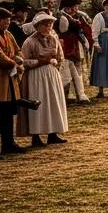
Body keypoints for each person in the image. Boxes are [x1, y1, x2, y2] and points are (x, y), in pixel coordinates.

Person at [17, 13, 68, 146]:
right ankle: (36, 135)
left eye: (49, 25)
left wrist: (55, 63)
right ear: (37, 26)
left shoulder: (53, 39)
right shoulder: (30, 41)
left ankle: (53, 133)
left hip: (51, 74)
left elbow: (60, 56)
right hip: (36, 76)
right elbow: (24, 61)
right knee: (39, 103)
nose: (48, 27)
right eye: (45, 25)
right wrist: (39, 62)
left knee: (52, 102)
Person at [0, 6, 25, 158]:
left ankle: (8, 143)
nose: (7, 23)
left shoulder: (8, 34)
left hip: (9, 82)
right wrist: (14, 64)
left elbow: (17, 50)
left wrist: (19, 58)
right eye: (5, 20)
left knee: (8, 114)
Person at [56, 0, 92, 105]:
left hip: (75, 45)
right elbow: (63, 30)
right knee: (66, 71)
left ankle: (80, 94)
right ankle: (66, 95)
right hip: (67, 46)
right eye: (74, 7)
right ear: (68, 8)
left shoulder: (76, 17)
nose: (76, 9)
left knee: (77, 70)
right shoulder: (63, 18)